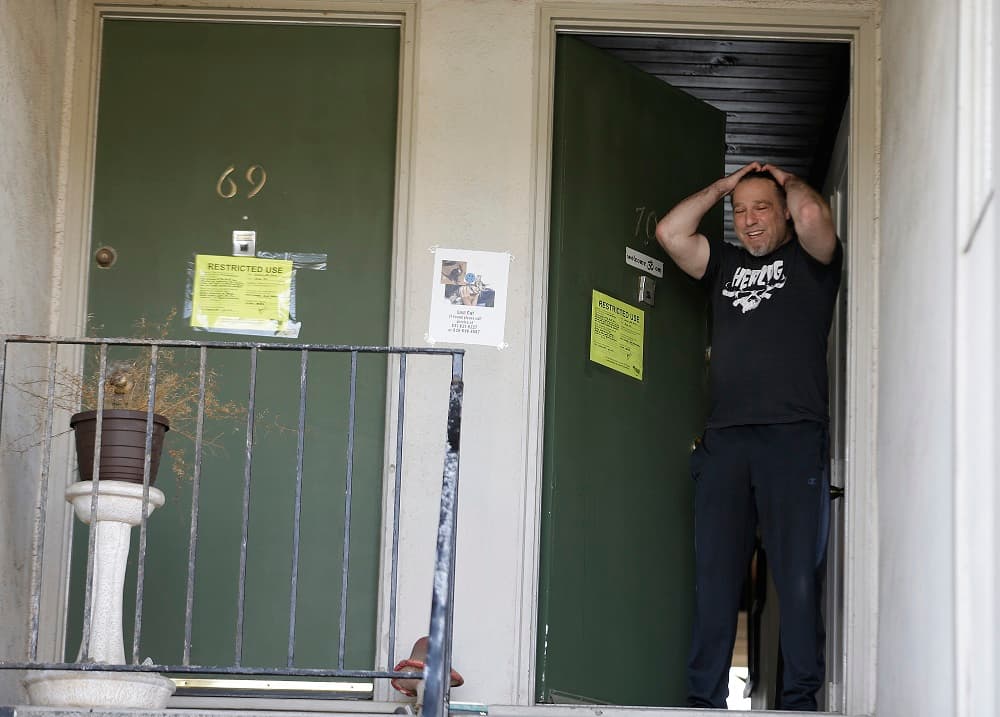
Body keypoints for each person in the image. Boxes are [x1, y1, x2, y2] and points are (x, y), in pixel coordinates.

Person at [655, 162, 842, 711]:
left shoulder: (813, 260)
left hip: (792, 437)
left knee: (794, 576)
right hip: (726, 443)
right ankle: (702, 698)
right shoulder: (726, 265)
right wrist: (721, 187)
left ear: (783, 211)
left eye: (761, 208)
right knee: (715, 578)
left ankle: (799, 699)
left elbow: (812, 213)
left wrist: (782, 180)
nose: (750, 220)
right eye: (740, 212)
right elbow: (670, 233)